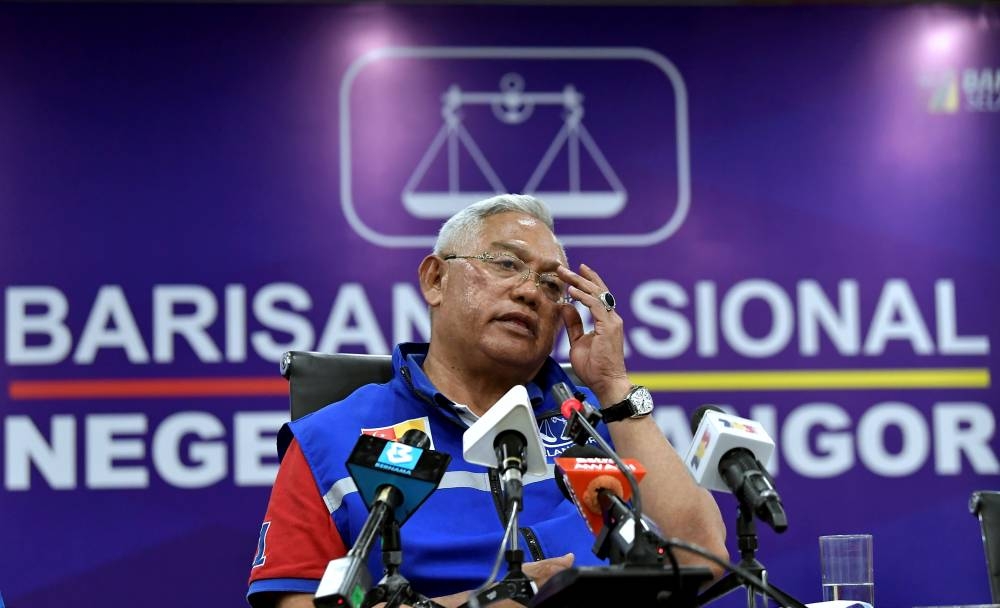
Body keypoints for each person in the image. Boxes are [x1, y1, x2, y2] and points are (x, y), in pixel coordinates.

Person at [247, 194, 728, 608]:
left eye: (552, 284)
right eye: (506, 264)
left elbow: (702, 557)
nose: (530, 291)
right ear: (436, 279)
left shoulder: (592, 426)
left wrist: (614, 387)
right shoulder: (331, 440)